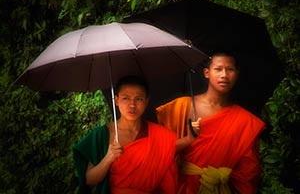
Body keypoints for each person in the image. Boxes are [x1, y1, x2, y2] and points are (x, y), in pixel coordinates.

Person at [156, 51, 266, 194]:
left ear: (237, 74)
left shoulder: (245, 121)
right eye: (218, 69)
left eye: (230, 69)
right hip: (181, 187)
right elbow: (158, 151)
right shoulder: (182, 106)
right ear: (207, 73)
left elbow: (248, 172)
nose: (224, 75)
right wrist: (187, 140)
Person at [73, 75, 181, 194]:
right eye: (126, 98)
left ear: (146, 101)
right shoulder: (101, 135)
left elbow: (167, 183)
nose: (132, 105)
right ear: (116, 100)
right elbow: (89, 180)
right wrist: (108, 159)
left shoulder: (161, 136)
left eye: (139, 99)